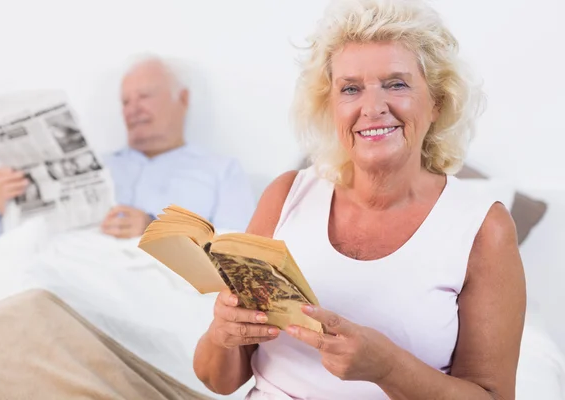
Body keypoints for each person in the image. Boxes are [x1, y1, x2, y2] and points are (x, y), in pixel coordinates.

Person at [192, 0, 526, 399]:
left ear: (436, 101)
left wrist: (388, 367)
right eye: (350, 89)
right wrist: (222, 333)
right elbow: (219, 380)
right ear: (331, 105)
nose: (372, 108)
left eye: (396, 84)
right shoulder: (286, 196)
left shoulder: (482, 228)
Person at [0, 55, 256, 239]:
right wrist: (6, 208)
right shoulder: (98, 166)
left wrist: (155, 230)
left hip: (165, 297)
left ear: (182, 99)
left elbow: (237, 251)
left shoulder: (222, 171)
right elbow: (21, 247)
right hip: (70, 285)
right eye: (125, 102)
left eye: (145, 96)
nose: (132, 109)